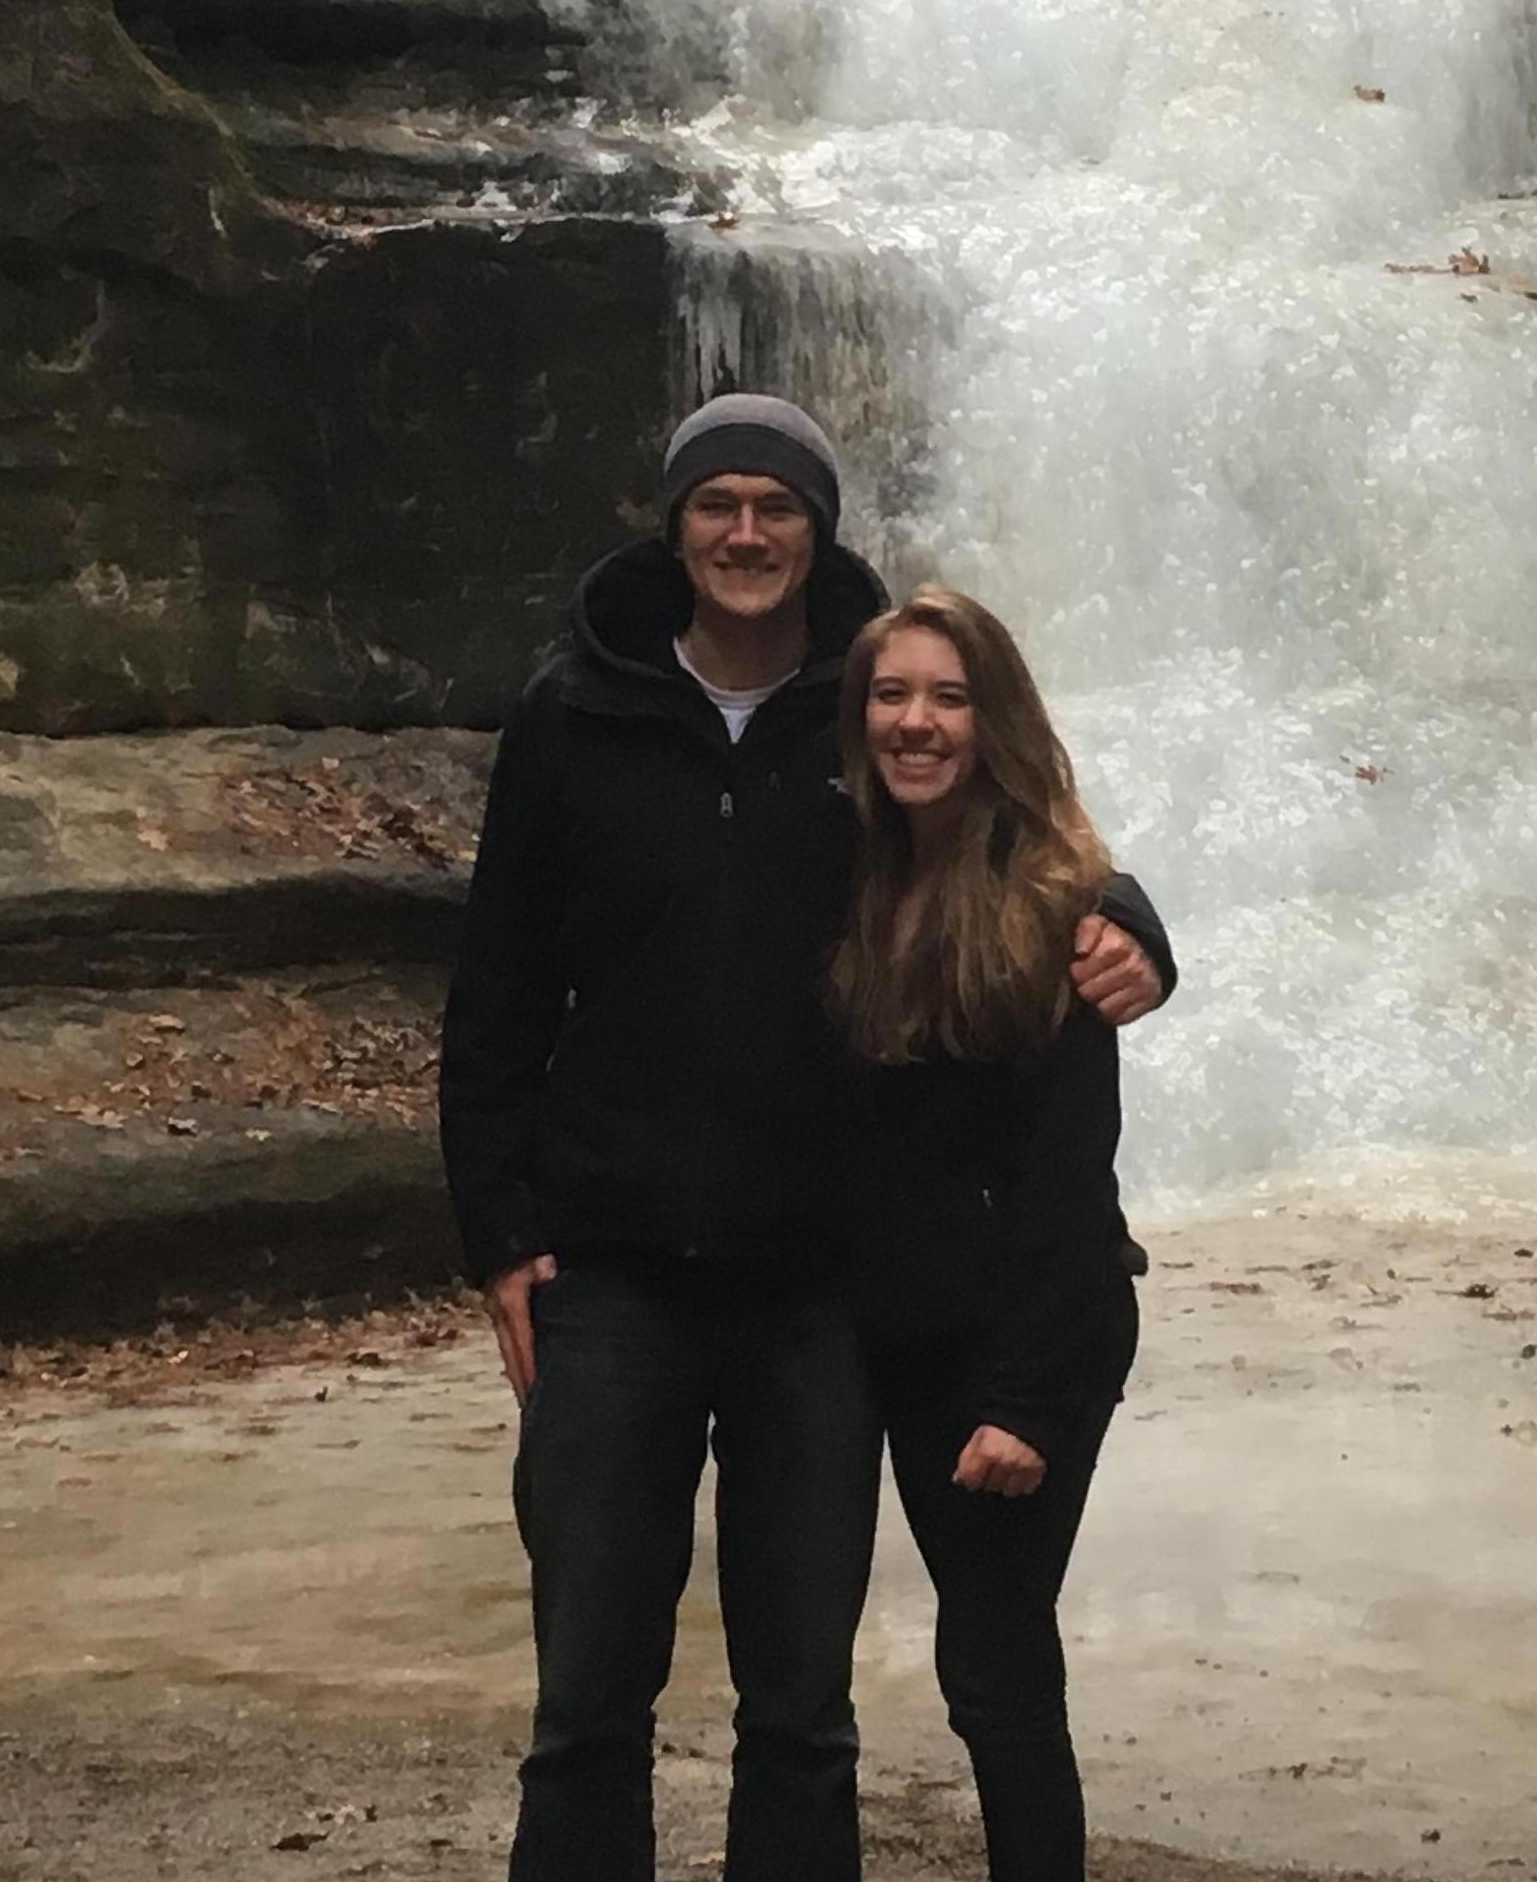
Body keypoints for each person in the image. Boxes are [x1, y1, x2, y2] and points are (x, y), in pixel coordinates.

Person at [441, 394, 1174, 1882]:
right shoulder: (572, 713)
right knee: (587, 1691)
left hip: (817, 1292)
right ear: (675, 524)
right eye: (718, 503)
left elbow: (1024, 848)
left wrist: (1144, 931)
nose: (747, 532)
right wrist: (500, 1233)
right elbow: (497, 990)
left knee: (802, 1705)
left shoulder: (869, 714)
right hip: (613, 1272)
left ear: (819, 530)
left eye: (778, 507)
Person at [834, 586, 1145, 1882]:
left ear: (995, 717)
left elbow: (1067, 1180)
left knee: (996, 1661)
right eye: (892, 694)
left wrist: (1022, 1401)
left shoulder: (1060, 905)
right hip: (878, 1328)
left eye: (949, 696)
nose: (918, 721)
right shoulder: (835, 879)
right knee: (819, 1656)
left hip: (1029, 1334)